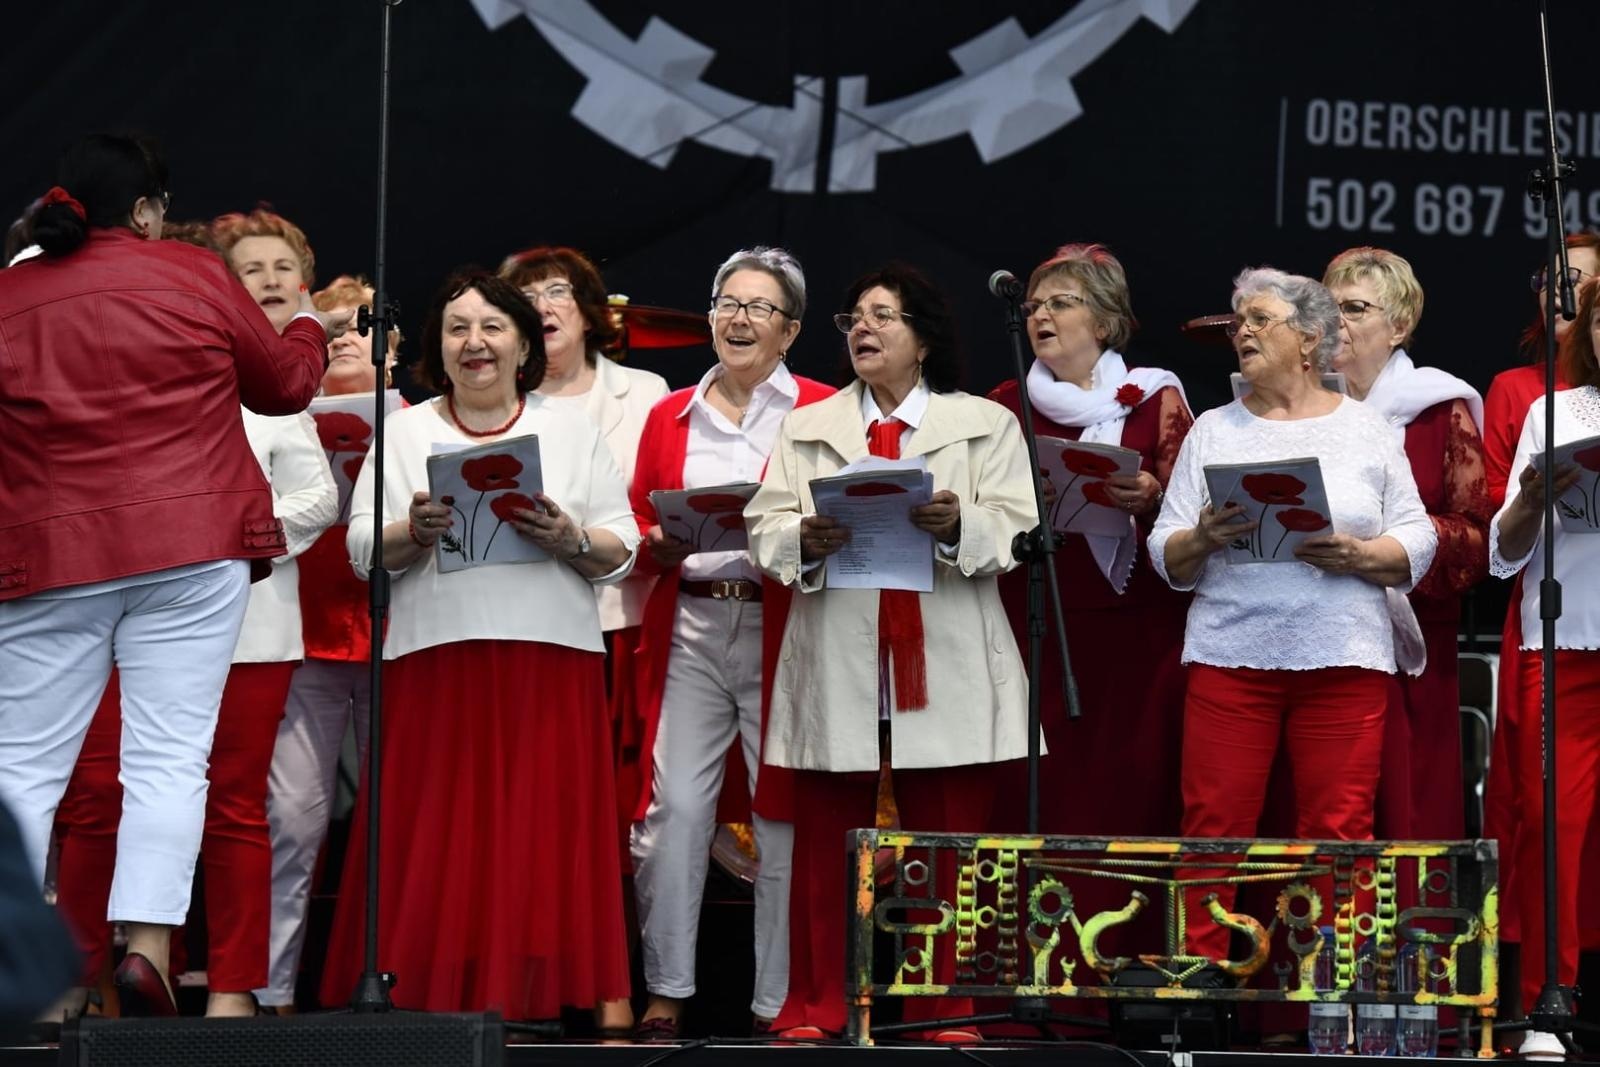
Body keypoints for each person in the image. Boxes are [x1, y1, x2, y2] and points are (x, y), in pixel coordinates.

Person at [0, 132, 346, 1017]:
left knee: (23, 768)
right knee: (171, 757)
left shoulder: (10, 294)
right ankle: (147, 943)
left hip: (51, 551)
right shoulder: (193, 273)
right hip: (194, 548)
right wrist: (307, 321)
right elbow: (282, 387)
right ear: (149, 208)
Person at [319, 269, 640, 1022]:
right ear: (438, 343)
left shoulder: (571, 429)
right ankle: (429, 996)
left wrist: (569, 537)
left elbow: (622, 546)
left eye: (493, 326)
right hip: (436, 655)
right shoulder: (405, 430)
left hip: (550, 655)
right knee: (439, 838)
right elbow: (363, 548)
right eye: (458, 327)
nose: (475, 342)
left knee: (542, 832)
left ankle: (559, 996)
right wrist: (413, 531)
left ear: (525, 342)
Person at [747, 262, 1036, 1040]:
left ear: (924, 338)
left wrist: (958, 525)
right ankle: (816, 1005)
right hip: (839, 643)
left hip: (945, 649)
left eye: (883, 316)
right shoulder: (808, 425)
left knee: (950, 838)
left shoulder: (983, 423)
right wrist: (800, 536)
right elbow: (763, 525)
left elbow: (1019, 530)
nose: (864, 329)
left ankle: (949, 1009)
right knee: (823, 841)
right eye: (854, 318)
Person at [1147, 268, 1436, 959]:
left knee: (1340, 832)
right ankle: (1199, 981)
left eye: (1260, 320)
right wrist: (1202, 537)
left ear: (1308, 339)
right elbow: (1164, 547)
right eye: (1239, 322)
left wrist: (1363, 555)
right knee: (1213, 829)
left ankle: (1334, 992)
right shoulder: (1213, 430)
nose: (1241, 331)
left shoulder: (1366, 428)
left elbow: (1418, 534)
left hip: (1343, 655)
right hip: (1230, 656)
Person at [628, 247, 832, 1039]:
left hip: (789, 626)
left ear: (791, 329)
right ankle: (667, 992)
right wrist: (659, 541)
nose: (739, 318)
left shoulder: (821, 408)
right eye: (727, 303)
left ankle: (773, 1002)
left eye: (760, 307)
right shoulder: (669, 412)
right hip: (691, 619)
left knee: (783, 817)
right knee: (674, 807)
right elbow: (637, 524)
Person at [498, 250, 668, 991]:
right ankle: (538, 970)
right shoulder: (501, 397)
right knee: (538, 806)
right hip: (529, 624)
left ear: (589, 308)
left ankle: (613, 978)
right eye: (527, 293)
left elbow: (656, 499)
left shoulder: (647, 390)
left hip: (621, 619)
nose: (543, 303)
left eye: (557, 289)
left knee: (623, 807)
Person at [987, 243, 1193, 844]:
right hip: (1035, 624)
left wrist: (1153, 494)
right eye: (1033, 305)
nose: (1039, 316)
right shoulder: (1004, 403)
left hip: (1137, 633)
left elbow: (1193, 514)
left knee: (1128, 787)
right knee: (1040, 791)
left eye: (1060, 303)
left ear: (1103, 322)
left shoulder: (1156, 397)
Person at [255, 274, 396, 1013]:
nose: (345, 333)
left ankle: (396, 978)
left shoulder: (420, 418)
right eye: (333, 322)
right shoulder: (275, 413)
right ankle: (271, 988)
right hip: (303, 631)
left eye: (365, 323)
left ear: (395, 348)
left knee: (396, 821)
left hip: (398, 635)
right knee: (291, 818)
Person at [1321, 247, 1490, 841]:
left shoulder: (1438, 410)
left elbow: (1473, 536)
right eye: (1327, 307)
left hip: (1411, 646)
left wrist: (1386, 548)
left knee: (1406, 808)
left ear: (1399, 325)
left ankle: (1409, 933)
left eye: (1355, 308)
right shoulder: (1302, 406)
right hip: (1319, 636)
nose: (1334, 321)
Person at [1481, 232, 1600, 963]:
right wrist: (1527, 500)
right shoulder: (1553, 413)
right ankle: (1546, 1001)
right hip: (1568, 644)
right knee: (1556, 826)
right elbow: (1504, 551)